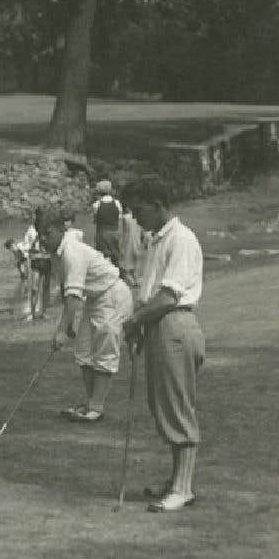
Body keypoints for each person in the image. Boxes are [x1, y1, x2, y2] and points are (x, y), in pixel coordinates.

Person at [121, 179, 206, 513]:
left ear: (157, 204)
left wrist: (134, 322)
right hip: (158, 325)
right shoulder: (155, 240)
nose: (134, 216)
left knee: (176, 405)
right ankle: (176, 481)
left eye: (138, 209)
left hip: (174, 324)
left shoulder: (181, 239)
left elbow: (168, 296)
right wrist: (141, 324)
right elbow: (150, 292)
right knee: (162, 405)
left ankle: (183, 489)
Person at [46, 207, 133, 423]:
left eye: (47, 234)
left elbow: (74, 297)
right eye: (40, 234)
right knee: (84, 352)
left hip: (112, 295)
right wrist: (71, 325)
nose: (42, 239)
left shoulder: (72, 251)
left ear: (60, 231)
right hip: (94, 299)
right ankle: (89, 402)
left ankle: (96, 408)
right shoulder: (57, 254)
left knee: (104, 350)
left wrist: (61, 332)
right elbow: (70, 292)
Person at [90, 179, 125, 266]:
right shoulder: (117, 203)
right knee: (116, 257)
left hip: (101, 233)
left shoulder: (96, 204)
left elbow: (95, 220)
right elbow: (119, 218)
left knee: (102, 258)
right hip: (115, 232)